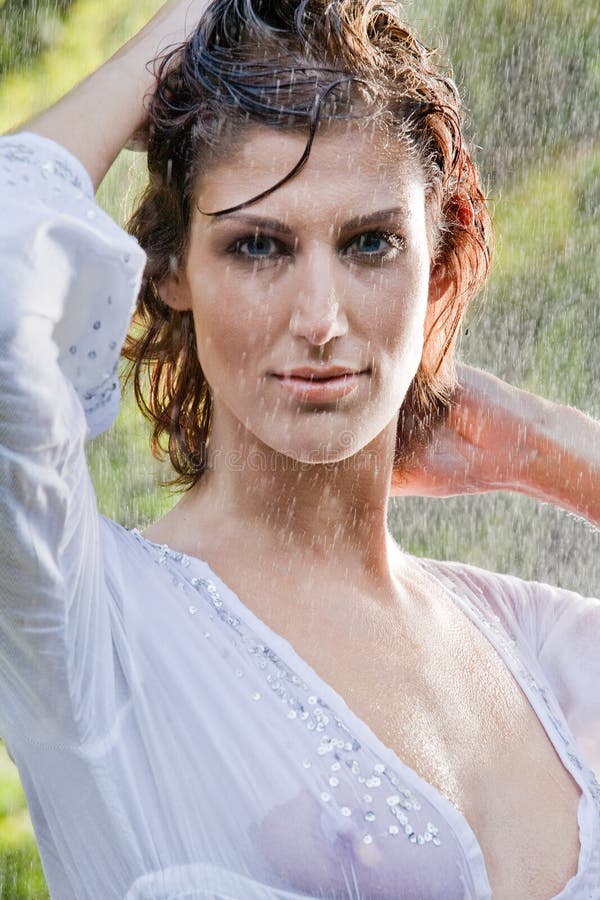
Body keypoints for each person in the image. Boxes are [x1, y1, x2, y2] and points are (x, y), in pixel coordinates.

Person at [1, 1, 599, 898]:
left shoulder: (538, 644)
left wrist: (552, 450)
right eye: (256, 246)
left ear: (438, 255)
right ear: (169, 271)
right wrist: (187, 34)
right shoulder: (90, 625)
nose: (321, 319)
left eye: (369, 243)